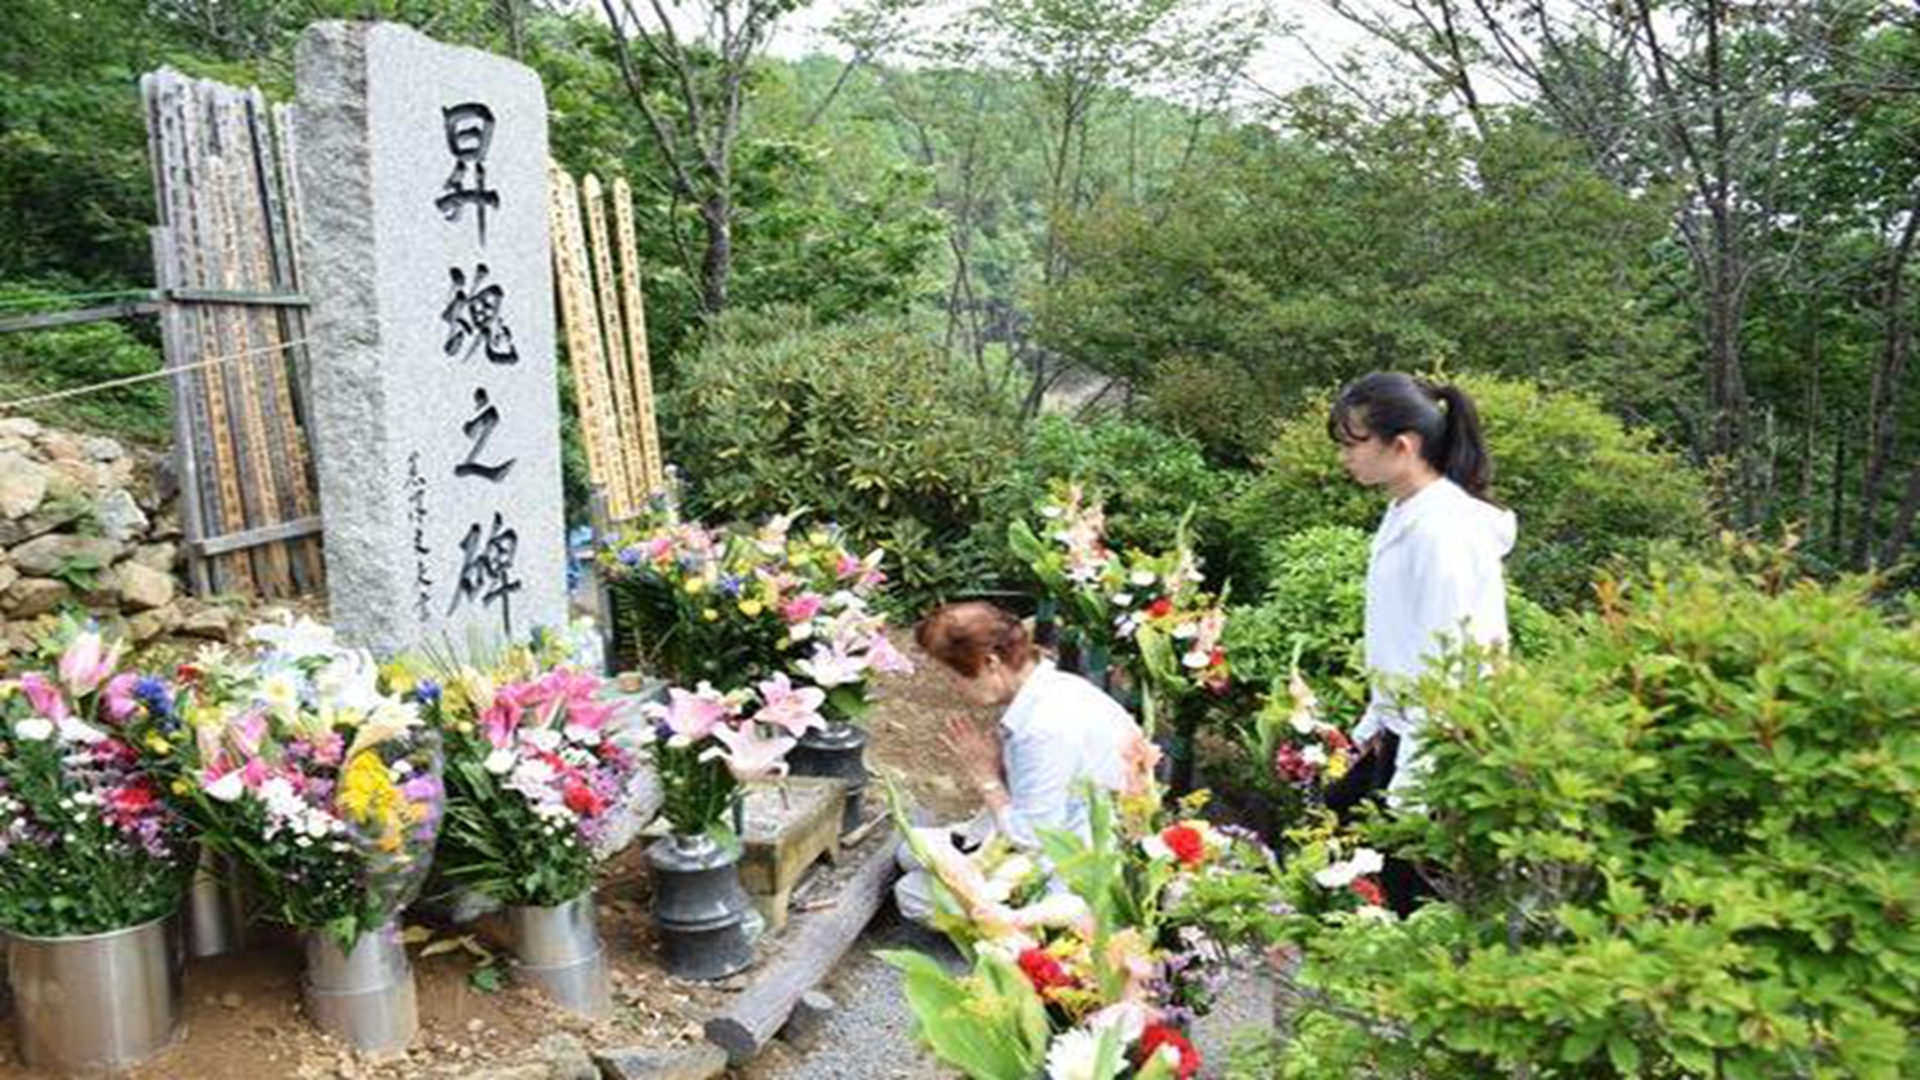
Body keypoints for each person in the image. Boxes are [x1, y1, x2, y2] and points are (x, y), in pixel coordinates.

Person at [1322, 372, 1515, 913]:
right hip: (1405, 735)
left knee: (1414, 906)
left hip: (1439, 751)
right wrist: (1375, 725)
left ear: (1402, 446)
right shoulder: (1408, 510)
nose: (1344, 457)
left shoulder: (1445, 529)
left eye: (1352, 443)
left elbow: (1451, 657)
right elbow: (1402, 636)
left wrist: (1412, 782)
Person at [893, 601, 1140, 923]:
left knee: (912, 892)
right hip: (1064, 833)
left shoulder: (1043, 728)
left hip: (1074, 873)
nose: (954, 688)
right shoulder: (1061, 687)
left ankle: (1021, 942)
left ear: (991, 662)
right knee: (911, 850)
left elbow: (1034, 840)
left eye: (954, 676)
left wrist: (986, 776)